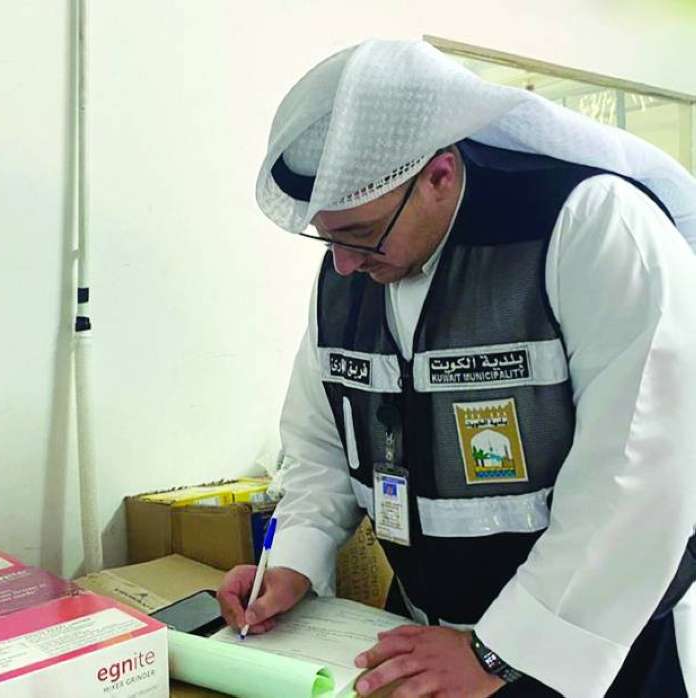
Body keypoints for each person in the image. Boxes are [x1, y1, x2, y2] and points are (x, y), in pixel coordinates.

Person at [217, 40, 696, 697]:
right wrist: (291, 560)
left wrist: (499, 653)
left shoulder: (588, 226)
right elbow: (320, 446)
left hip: (585, 647)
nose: (344, 264)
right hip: (428, 640)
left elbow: (640, 473)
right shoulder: (352, 272)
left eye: (359, 233)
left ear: (439, 175)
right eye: (328, 237)